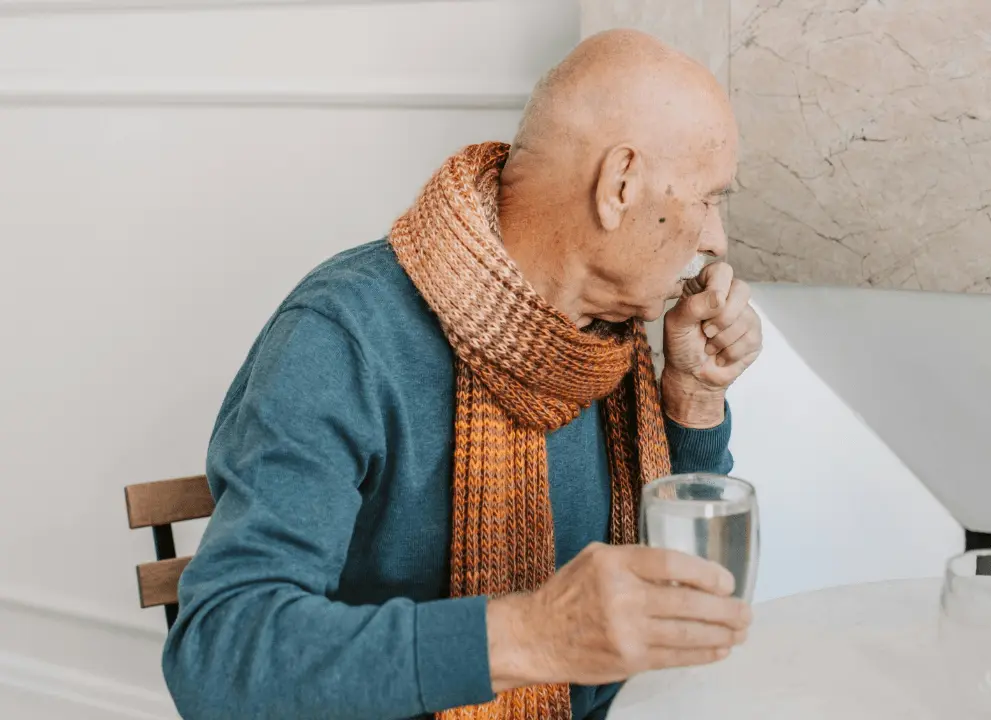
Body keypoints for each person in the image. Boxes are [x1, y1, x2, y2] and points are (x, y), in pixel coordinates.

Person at [162, 28, 762, 720]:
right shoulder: (343, 337)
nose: (715, 239)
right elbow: (218, 652)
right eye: (709, 198)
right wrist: (531, 635)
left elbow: (663, 597)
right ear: (619, 185)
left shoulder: (611, 341)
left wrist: (693, 397)